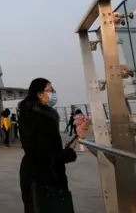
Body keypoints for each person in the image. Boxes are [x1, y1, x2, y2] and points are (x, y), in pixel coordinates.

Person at [19, 78, 78, 213]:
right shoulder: (36, 117)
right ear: (39, 94)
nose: (53, 93)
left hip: (42, 173)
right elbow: (41, 153)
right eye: (50, 90)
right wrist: (68, 154)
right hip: (43, 176)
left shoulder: (36, 115)